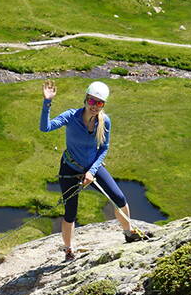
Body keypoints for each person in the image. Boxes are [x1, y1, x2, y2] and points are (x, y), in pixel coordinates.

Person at [40, 79, 148, 261]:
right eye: (92, 101)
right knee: (70, 212)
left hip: (92, 167)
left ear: (103, 105)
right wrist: (47, 102)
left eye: (99, 103)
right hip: (70, 168)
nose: (95, 106)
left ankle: (129, 233)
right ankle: (68, 250)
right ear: (85, 99)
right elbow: (45, 128)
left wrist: (92, 171)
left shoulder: (104, 121)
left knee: (119, 198)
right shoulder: (71, 116)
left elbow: (104, 148)